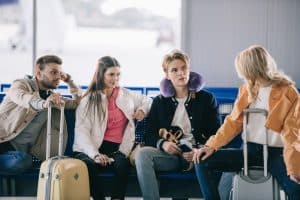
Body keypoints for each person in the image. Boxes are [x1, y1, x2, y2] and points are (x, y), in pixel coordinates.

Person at [193, 45, 300, 200]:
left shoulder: (288, 91)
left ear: (253, 68)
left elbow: (293, 132)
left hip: (277, 154)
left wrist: (294, 166)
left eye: (243, 70)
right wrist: (211, 146)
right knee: (201, 161)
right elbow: (232, 122)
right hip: (249, 150)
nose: (242, 75)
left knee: (296, 189)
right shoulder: (246, 89)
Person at [135, 49, 221, 200]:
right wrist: (162, 144)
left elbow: (216, 132)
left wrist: (199, 150)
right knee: (142, 155)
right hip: (171, 156)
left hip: (198, 156)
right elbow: (149, 133)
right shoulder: (160, 101)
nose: (181, 73)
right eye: (174, 70)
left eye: (184, 68)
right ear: (167, 75)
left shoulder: (207, 99)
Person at [73, 56, 151, 200]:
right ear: (101, 74)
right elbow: (82, 133)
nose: (115, 78)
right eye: (111, 74)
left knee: (123, 166)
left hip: (116, 150)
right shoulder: (88, 100)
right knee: (89, 166)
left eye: (118, 74)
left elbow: (147, 100)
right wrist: (96, 155)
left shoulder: (126, 95)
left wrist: (142, 110)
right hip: (89, 150)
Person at [0, 55, 80, 175]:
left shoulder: (52, 98)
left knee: (23, 160)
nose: (58, 76)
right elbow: (24, 98)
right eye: (53, 72)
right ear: (38, 72)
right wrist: (44, 104)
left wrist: (70, 82)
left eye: (60, 73)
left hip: (17, 155)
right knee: (23, 161)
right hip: (3, 143)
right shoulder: (20, 85)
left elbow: (78, 104)